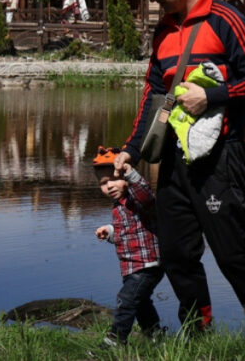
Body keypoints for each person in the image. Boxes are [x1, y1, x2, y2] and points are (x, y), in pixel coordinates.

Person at [114, 0, 245, 334]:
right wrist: (131, 151)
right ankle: (196, 330)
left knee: (231, 252)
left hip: (221, 158)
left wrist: (212, 95)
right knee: (176, 253)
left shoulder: (226, 20)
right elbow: (152, 100)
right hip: (173, 161)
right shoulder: (162, 32)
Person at [92, 146, 163, 346]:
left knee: (126, 300)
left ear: (126, 176)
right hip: (132, 266)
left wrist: (130, 173)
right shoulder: (118, 207)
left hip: (148, 264)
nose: (110, 186)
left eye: (115, 179)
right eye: (104, 183)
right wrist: (110, 232)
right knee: (139, 302)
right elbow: (126, 234)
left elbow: (146, 195)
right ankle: (155, 336)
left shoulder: (136, 198)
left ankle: (115, 340)